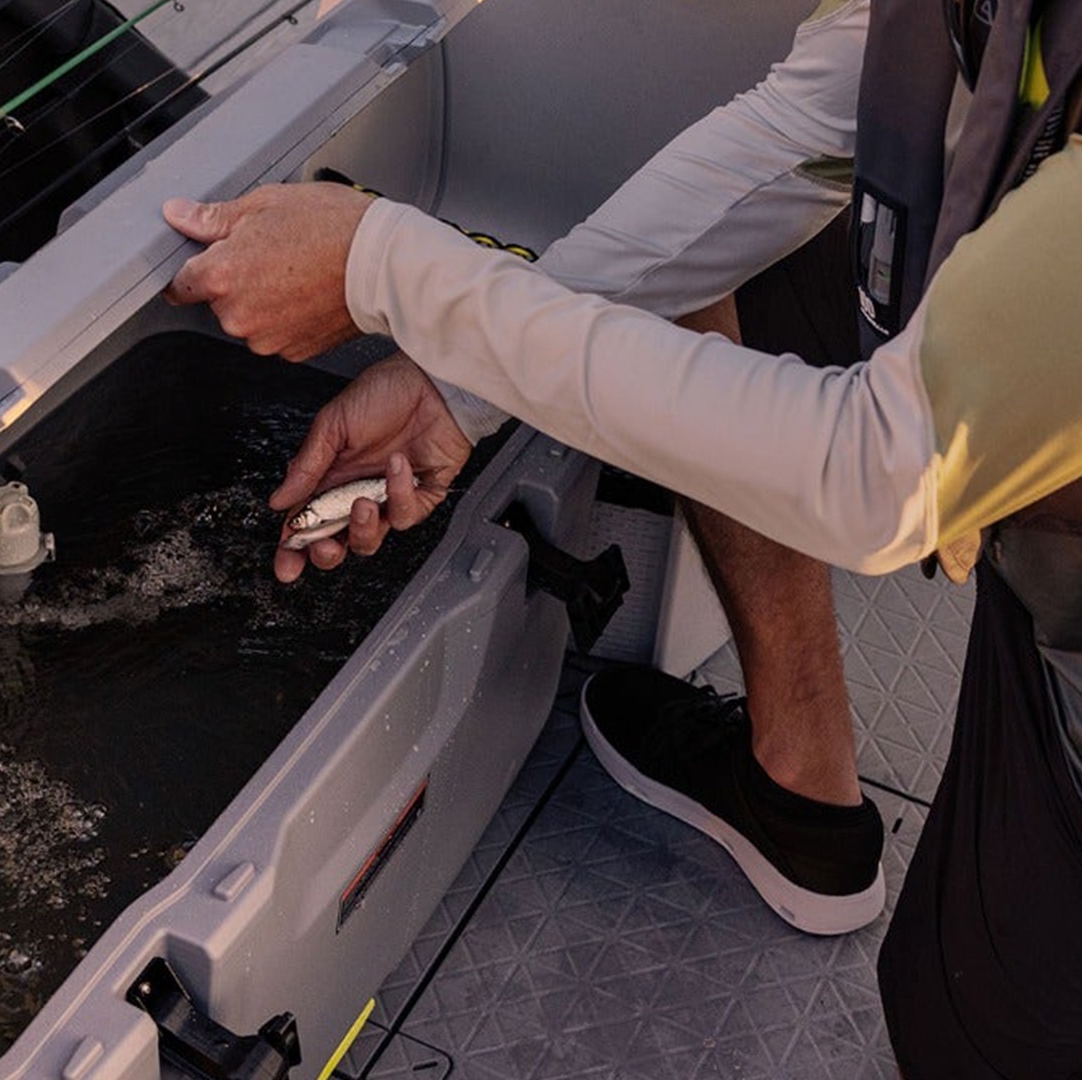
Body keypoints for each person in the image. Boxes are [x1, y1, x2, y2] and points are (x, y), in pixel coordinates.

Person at [159, 0, 1082, 1075]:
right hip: (1043, 527)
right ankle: (797, 794)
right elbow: (792, 140)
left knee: (982, 1025)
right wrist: (459, 387)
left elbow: (877, 476)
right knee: (952, 967)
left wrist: (385, 267)